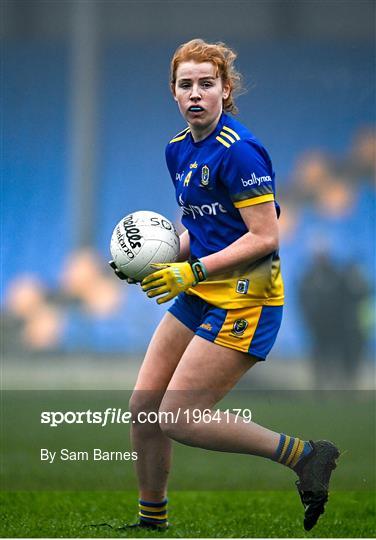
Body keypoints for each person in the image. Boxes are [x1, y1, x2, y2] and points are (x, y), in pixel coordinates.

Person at [109, 38, 339, 532]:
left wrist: (188, 271)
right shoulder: (177, 150)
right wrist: (151, 260)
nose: (195, 93)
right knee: (144, 406)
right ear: (173, 92)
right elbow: (200, 230)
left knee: (180, 416)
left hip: (249, 297)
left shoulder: (242, 153)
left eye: (206, 84)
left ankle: (304, 456)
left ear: (225, 90)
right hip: (203, 290)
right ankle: (152, 520)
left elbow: (265, 236)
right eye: (185, 84)